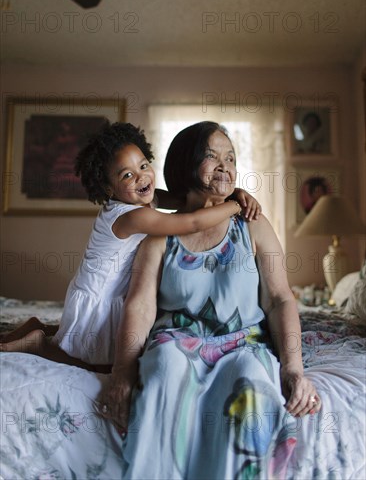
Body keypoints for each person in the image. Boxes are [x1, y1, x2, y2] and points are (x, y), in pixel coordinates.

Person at [99, 121, 321, 479]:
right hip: (176, 342)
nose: (226, 165)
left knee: (251, 383)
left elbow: (280, 299)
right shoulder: (160, 234)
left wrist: (293, 369)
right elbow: (139, 305)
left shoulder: (252, 224)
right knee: (164, 369)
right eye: (212, 156)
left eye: (231, 157)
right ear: (187, 163)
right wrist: (122, 372)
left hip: (244, 344)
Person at [0, 121, 261, 370]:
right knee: (100, 364)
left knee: (77, 337)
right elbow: (191, 221)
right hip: (102, 296)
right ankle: (40, 345)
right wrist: (235, 206)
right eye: (127, 175)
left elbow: (186, 198)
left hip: (95, 288)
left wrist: (234, 191)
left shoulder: (140, 200)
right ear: (107, 187)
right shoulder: (132, 216)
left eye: (144, 165)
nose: (141, 177)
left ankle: (41, 327)